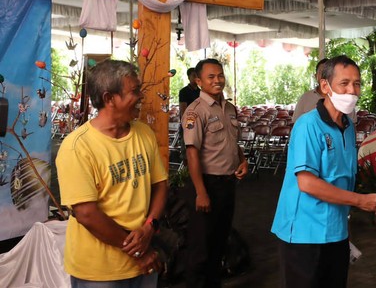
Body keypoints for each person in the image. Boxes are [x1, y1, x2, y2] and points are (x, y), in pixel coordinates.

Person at [271, 55, 376, 288]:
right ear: (325, 86)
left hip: (336, 231)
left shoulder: (349, 126)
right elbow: (307, 183)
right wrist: (360, 201)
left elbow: (343, 177)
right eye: (344, 83)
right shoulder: (308, 125)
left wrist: (348, 221)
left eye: (356, 84)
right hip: (304, 233)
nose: (351, 91)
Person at [56, 59, 168, 287]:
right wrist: (139, 253)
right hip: (99, 272)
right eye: (134, 91)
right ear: (109, 99)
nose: (141, 97)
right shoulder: (77, 147)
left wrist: (150, 226)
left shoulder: (144, 134)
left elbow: (160, 184)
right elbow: (86, 214)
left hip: (145, 261)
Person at [181, 58, 249, 288]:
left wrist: (242, 160)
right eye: (211, 77)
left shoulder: (229, 108)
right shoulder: (195, 111)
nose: (217, 80)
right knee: (200, 248)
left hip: (227, 185)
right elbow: (192, 153)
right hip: (206, 185)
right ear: (198, 81)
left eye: (220, 75)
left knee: (220, 243)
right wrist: (200, 191)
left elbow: (232, 141)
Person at [292, 58, 328, 123]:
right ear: (315, 76)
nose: (324, 76)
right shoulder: (305, 98)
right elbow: (296, 124)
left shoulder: (340, 99)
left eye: (327, 72)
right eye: (321, 72)